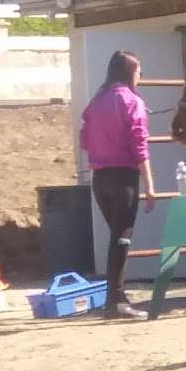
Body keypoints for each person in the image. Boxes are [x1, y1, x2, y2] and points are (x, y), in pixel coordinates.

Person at [79, 50, 156, 321]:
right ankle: (115, 300)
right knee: (121, 238)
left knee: (116, 236)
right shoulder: (131, 100)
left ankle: (116, 297)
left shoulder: (96, 100)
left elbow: (84, 140)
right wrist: (149, 183)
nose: (141, 76)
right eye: (139, 71)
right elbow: (139, 144)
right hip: (124, 176)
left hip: (100, 177)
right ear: (129, 73)